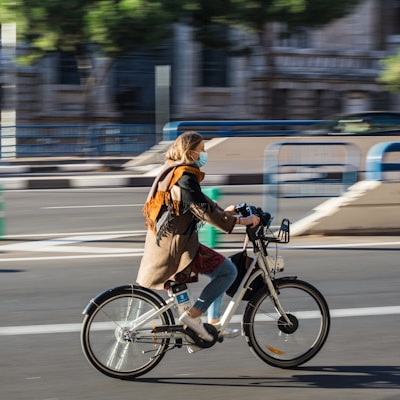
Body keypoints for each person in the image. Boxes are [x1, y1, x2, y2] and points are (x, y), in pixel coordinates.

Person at [136, 131, 260, 343]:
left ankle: (213, 324)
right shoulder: (184, 175)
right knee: (228, 271)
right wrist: (239, 222)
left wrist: (226, 212)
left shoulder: (173, 169)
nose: (204, 153)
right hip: (176, 246)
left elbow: (199, 200)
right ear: (190, 151)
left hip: (168, 241)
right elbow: (201, 209)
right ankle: (193, 317)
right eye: (202, 149)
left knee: (220, 270)